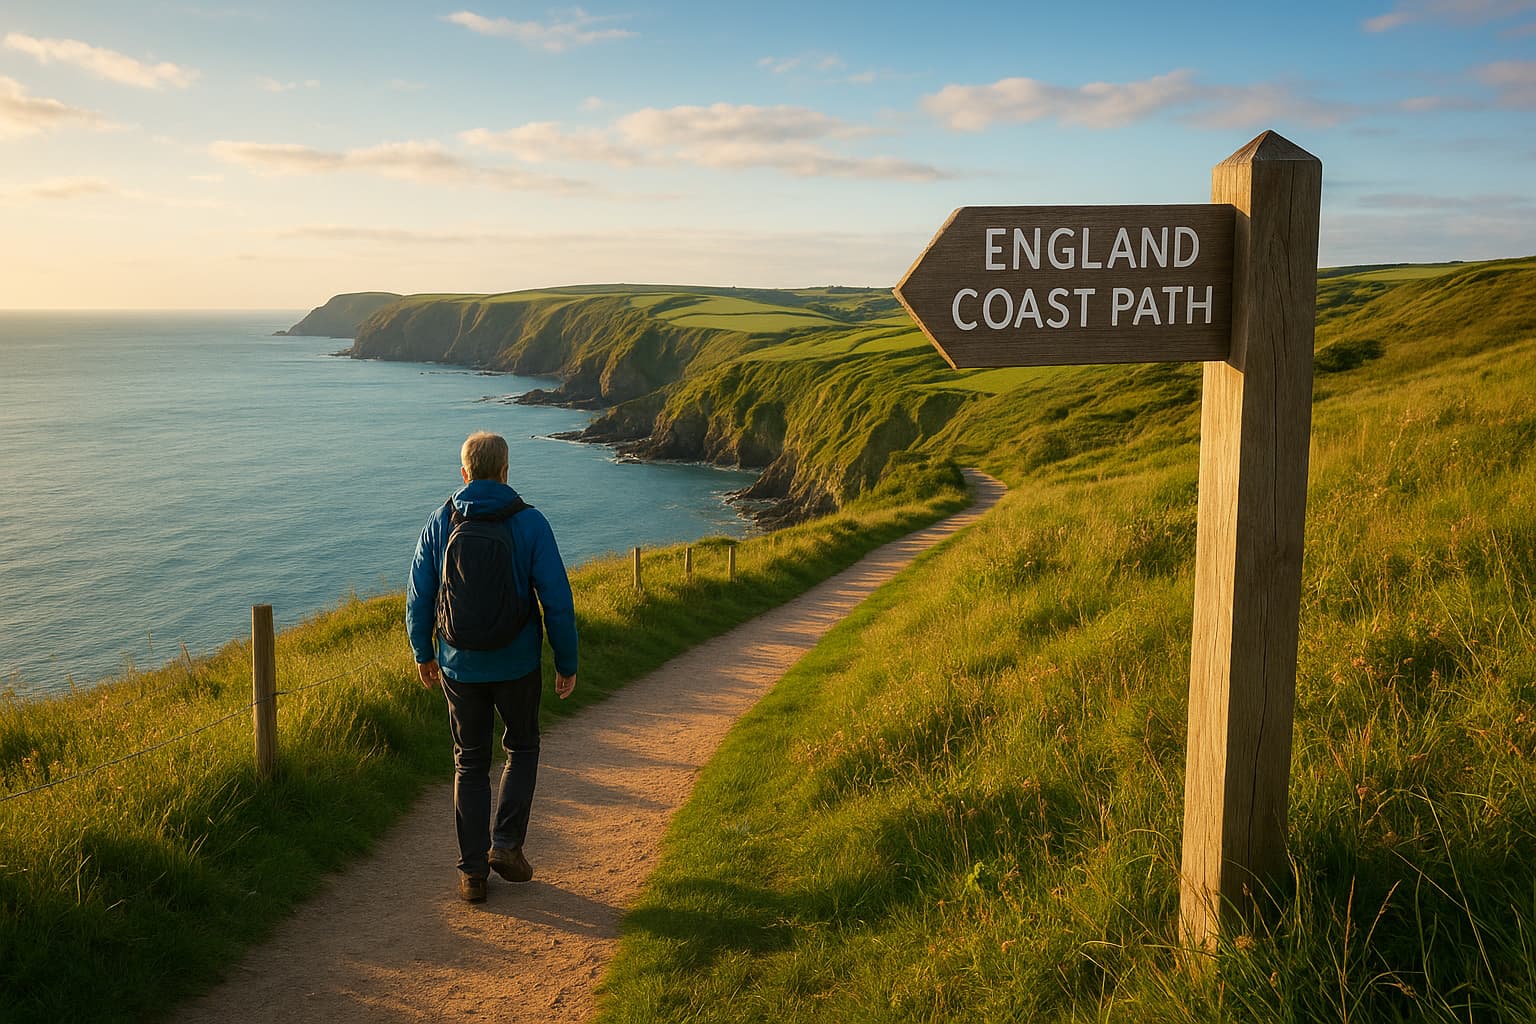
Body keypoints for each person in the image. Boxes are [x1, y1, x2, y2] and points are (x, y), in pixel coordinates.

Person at [407, 431, 578, 903]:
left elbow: (420, 594)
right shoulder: (530, 523)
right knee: (521, 748)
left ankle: (472, 873)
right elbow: (557, 602)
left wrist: (423, 651)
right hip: (519, 663)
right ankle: (506, 844)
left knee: (470, 762)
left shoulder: (440, 521)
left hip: (459, 666)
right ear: (505, 472)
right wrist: (567, 661)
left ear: (464, 473)